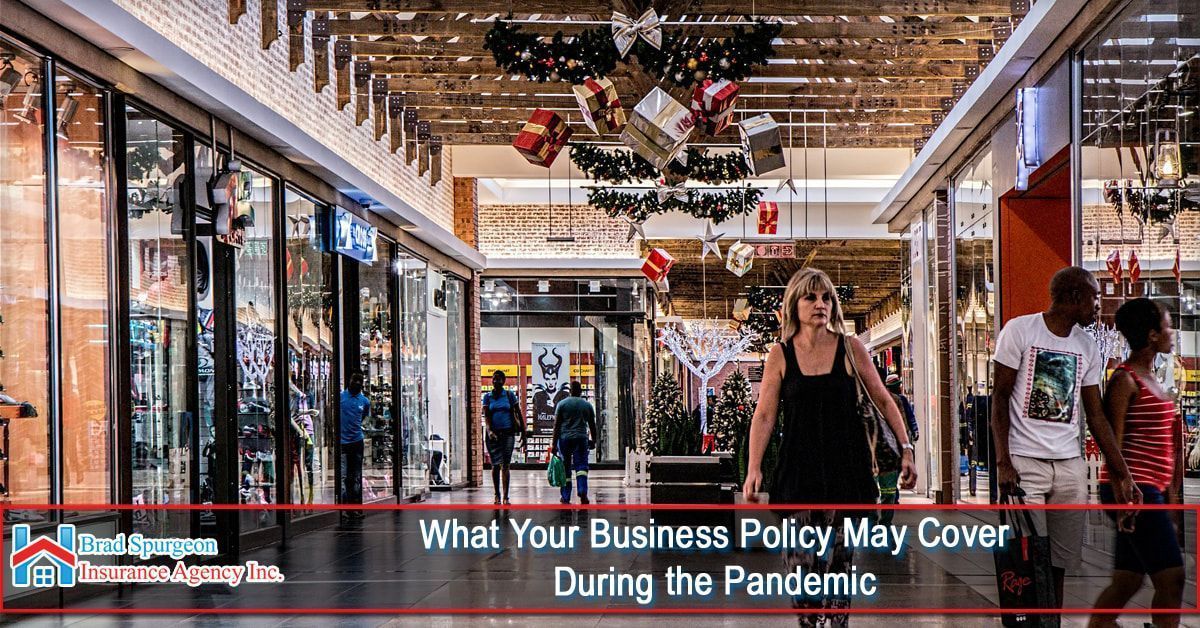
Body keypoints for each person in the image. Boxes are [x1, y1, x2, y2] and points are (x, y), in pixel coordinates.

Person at [742, 268, 917, 627]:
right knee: (801, 569)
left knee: (840, 567)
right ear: (794, 304)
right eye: (811, 297)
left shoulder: (850, 348)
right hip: (798, 471)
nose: (820, 304)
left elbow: (884, 401)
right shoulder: (780, 354)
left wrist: (906, 448)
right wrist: (754, 467)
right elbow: (764, 416)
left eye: (826, 298)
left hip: (845, 470)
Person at [992, 266, 1136, 608]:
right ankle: (1030, 618)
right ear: (1074, 297)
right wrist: (1003, 462)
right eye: (1095, 297)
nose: (1099, 305)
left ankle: (1051, 620)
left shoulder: (1086, 345)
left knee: (1060, 564)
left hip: (1069, 468)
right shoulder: (1020, 331)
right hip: (1026, 465)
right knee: (1027, 560)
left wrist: (1121, 472)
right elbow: (999, 397)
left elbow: (1096, 414)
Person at [1089, 298, 1184, 628]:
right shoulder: (1125, 380)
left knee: (1127, 581)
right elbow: (1110, 443)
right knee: (1172, 577)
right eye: (1168, 326)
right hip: (1135, 492)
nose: (1173, 332)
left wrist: (1170, 502)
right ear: (1152, 334)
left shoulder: (1154, 379)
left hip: (1150, 492)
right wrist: (1122, 495)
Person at [878, 374, 919, 524]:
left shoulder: (896, 400)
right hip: (886, 451)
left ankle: (883, 527)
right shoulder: (896, 400)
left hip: (889, 451)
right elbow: (908, 419)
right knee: (886, 489)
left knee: (887, 488)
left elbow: (907, 419)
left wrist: (906, 445)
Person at [550, 381, 598, 505]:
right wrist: (594, 440)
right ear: (580, 391)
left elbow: (556, 426)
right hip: (581, 438)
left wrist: (554, 444)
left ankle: (565, 496)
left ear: (570, 391)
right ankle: (582, 491)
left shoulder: (562, 404)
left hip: (564, 439)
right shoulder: (586, 405)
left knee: (565, 468)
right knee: (581, 466)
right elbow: (592, 425)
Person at [483, 370, 523, 505]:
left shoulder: (509, 395)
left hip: (508, 433)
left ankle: (506, 496)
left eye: (499, 379)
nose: (496, 382)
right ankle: (497, 494)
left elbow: (518, 413)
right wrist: (489, 431)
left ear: (504, 381)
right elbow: (487, 416)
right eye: (494, 379)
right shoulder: (487, 397)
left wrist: (524, 432)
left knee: (505, 465)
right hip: (493, 435)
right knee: (495, 465)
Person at [339, 371, 370, 522]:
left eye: (360, 381)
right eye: (354, 380)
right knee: (345, 476)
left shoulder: (364, 401)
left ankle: (356, 507)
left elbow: (364, 416)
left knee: (356, 476)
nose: (357, 383)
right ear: (349, 381)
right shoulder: (340, 398)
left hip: (357, 442)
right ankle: (345, 508)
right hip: (343, 443)